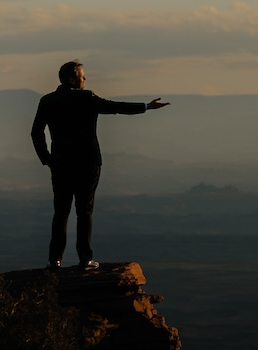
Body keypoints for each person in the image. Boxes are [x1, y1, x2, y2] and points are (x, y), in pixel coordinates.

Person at [31, 60, 169, 269]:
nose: (85, 78)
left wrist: (47, 159)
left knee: (61, 211)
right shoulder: (87, 98)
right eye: (82, 75)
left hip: (61, 164)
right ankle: (85, 259)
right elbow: (114, 107)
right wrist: (146, 107)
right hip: (88, 162)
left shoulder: (48, 101)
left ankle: (55, 260)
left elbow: (36, 132)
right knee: (84, 211)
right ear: (72, 78)